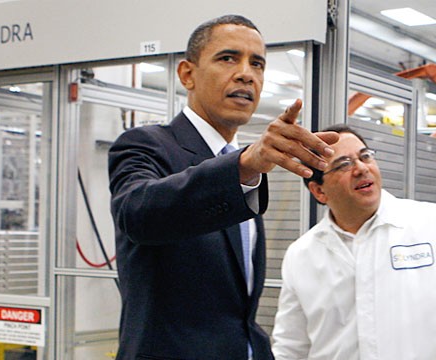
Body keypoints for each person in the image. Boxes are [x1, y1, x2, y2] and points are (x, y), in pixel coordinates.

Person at [108, 15, 338, 360]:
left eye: (257, 63)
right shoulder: (147, 145)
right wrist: (243, 165)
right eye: (228, 58)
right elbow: (138, 214)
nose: (246, 73)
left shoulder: (240, 165)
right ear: (188, 74)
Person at [272, 124, 436, 360]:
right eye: (343, 164)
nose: (361, 168)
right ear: (319, 191)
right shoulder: (302, 255)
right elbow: (290, 348)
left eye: (365, 156)